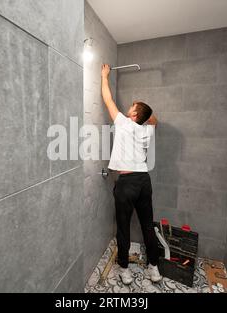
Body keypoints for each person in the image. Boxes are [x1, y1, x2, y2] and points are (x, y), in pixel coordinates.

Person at [101, 64, 162, 285]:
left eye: (132, 106)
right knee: (147, 224)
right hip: (144, 181)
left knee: (124, 226)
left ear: (134, 114)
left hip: (127, 183)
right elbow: (154, 120)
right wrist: (145, 115)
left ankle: (124, 270)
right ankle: (154, 268)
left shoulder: (124, 123)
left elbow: (107, 99)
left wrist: (104, 76)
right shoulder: (147, 130)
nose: (128, 107)